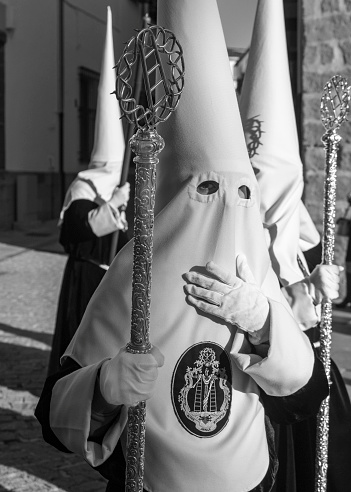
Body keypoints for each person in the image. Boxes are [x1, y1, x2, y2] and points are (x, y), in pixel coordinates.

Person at [35, 1, 328, 491]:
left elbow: (305, 393)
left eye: (244, 194)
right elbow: (54, 414)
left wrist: (265, 325)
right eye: (209, 191)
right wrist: (104, 387)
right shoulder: (135, 274)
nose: (229, 208)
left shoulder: (251, 273)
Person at [239, 1, 351, 490]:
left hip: (312, 374)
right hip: (253, 389)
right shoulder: (231, 230)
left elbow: (316, 304)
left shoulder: (299, 230)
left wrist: (323, 285)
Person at [47, 7, 130, 377]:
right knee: (82, 353)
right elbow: (75, 232)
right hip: (86, 279)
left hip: (115, 279)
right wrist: (112, 204)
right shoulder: (84, 184)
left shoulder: (130, 182)